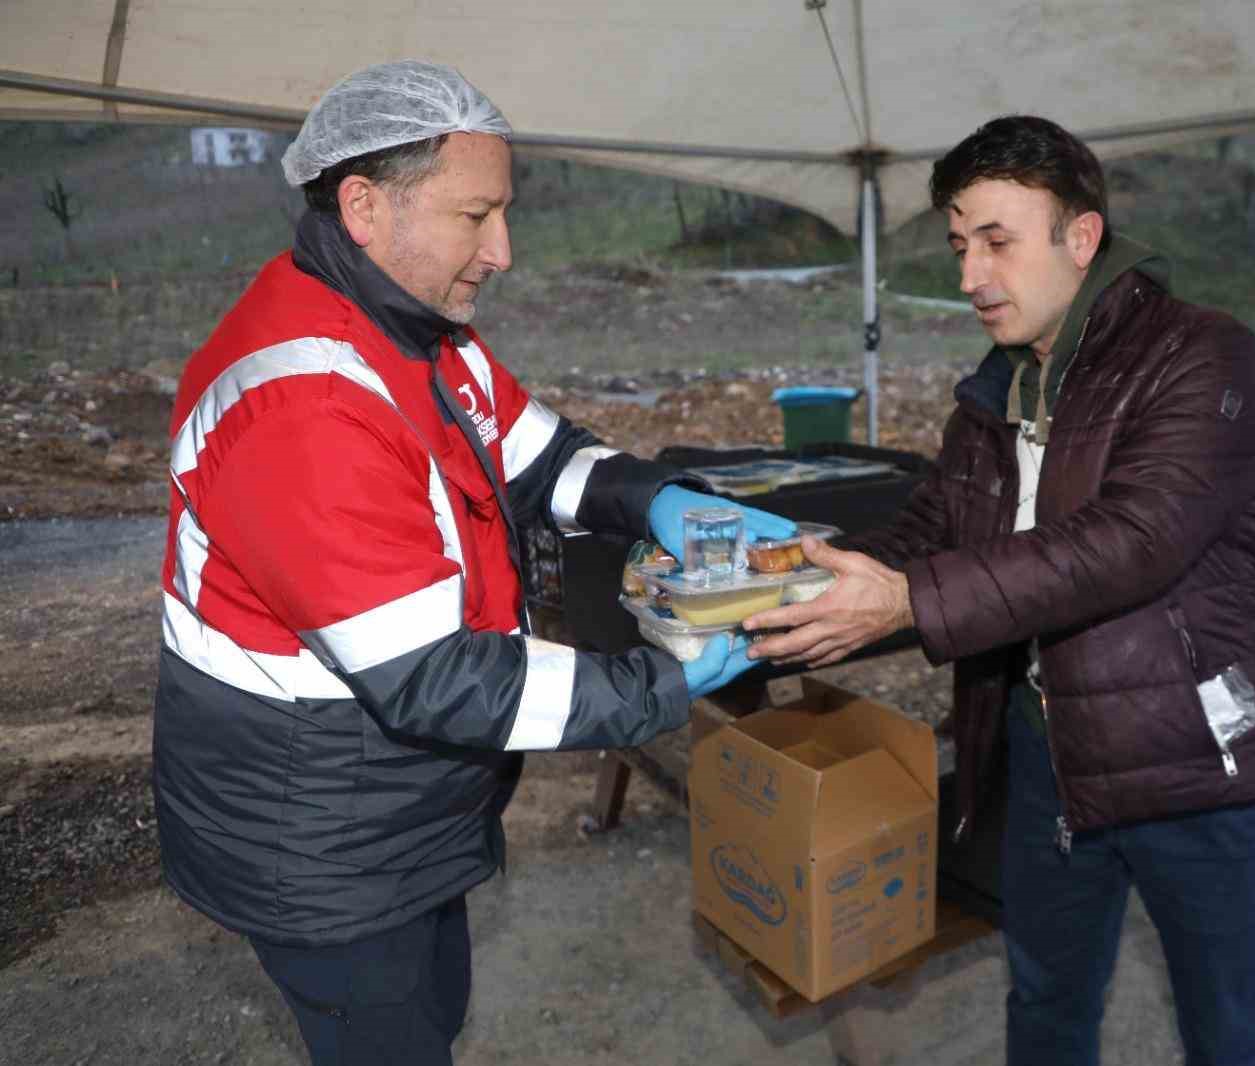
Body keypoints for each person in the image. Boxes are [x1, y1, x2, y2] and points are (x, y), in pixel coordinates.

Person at [152, 60, 792, 1066]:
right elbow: (434, 678)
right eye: (475, 216)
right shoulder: (304, 407)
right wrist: (660, 680)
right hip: (324, 838)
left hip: (395, 806)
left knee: (430, 1011)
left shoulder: (417, 332)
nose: (503, 251)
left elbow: (537, 453)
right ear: (363, 205)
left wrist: (657, 499)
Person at [745, 115, 1255, 1066]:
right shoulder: (1000, 386)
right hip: (1045, 755)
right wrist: (813, 563)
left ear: (1080, 237)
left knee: (1226, 1035)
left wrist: (908, 603)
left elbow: (1131, 542)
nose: (969, 275)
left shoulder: (1203, 355)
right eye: (960, 244)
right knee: (1047, 1003)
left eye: (997, 241)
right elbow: (935, 530)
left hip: (1196, 767)